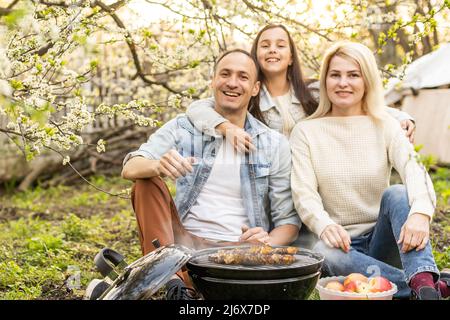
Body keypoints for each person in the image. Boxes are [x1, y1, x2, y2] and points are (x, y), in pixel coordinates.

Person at [185, 24, 416, 249]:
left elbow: (359, 101)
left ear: (291, 57)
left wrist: (401, 116)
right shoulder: (248, 95)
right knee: (309, 249)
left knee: (319, 249)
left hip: (310, 187)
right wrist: (227, 127)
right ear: (256, 56)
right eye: (265, 45)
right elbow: (197, 109)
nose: (272, 50)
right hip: (273, 192)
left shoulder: (312, 92)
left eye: (280, 45)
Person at [121, 49, 301, 300]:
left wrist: (267, 241)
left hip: (238, 248)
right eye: (225, 74)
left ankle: (176, 282)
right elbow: (130, 167)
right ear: (213, 81)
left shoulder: (273, 144)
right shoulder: (184, 127)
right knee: (145, 183)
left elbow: (288, 221)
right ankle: (172, 280)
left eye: (242, 77)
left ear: (255, 88)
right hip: (181, 242)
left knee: (248, 265)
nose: (232, 83)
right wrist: (157, 165)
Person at [289, 41, 449, 300]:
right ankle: (428, 287)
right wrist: (324, 224)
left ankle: (421, 280)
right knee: (323, 250)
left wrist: (421, 213)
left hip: (383, 239)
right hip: (341, 246)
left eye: (353, 75)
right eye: (335, 75)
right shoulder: (306, 132)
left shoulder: (386, 125)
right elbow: (303, 192)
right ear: (325, 81)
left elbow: (413, 168)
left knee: (397, 193)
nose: (343, 83)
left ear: (367, 81)